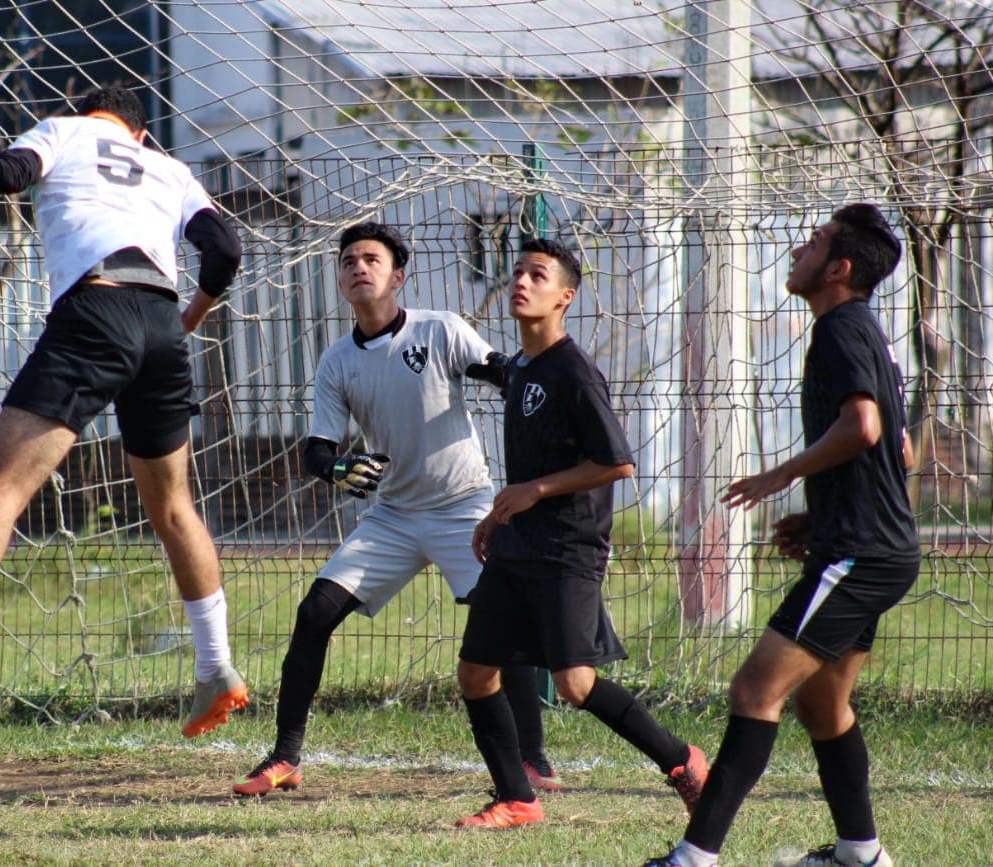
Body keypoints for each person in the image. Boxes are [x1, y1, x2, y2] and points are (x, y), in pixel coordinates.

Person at [0, 86, 250, 738]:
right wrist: (185, 321)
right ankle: (217, 666)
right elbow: (225, 249)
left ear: (92, 115)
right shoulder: (172, 170)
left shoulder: (65, 131)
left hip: (95, 312)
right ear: (140, 134)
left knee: (4, 488)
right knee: (175, 509)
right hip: (160, 329)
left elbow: (8, 173)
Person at [232, 222, 562, 797]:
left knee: (502, 625)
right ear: (339, 280)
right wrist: (336, 468)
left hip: (464, 508)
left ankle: (533, 760)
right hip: (392, 517)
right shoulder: (337, 361)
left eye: (371, 259)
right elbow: (317, 450)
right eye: (349, 261)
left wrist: (532, 389)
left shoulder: (441, 329)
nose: (359, 267)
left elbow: (500, 372)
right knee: (314, 615)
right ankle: (285, 756)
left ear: (397, 276)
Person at [645, 204, 917, 867]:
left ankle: (693, 858)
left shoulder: (838, 331)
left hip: (860, 554)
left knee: (753, 691)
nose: (801, 245)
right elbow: (902, 452)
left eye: (817, 240)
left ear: (839, 268)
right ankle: (862, 853)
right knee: (823, 707)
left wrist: (781, 476)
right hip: (866, 546)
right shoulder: (866, 333)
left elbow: (866, 429)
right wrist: (822, 513)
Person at [455, 237, 706, 829]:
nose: (521, 281)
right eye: (516, 271)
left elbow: (616, 462)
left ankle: (682, 761)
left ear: (565, 296)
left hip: (567, 548)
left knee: (574, 683)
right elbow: (530, 471)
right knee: (475, 673)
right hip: (519, 545)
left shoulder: (573, 371)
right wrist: (500, 513)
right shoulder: (521, 369)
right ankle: (517, 797)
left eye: (537, 275)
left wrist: (534, 493)